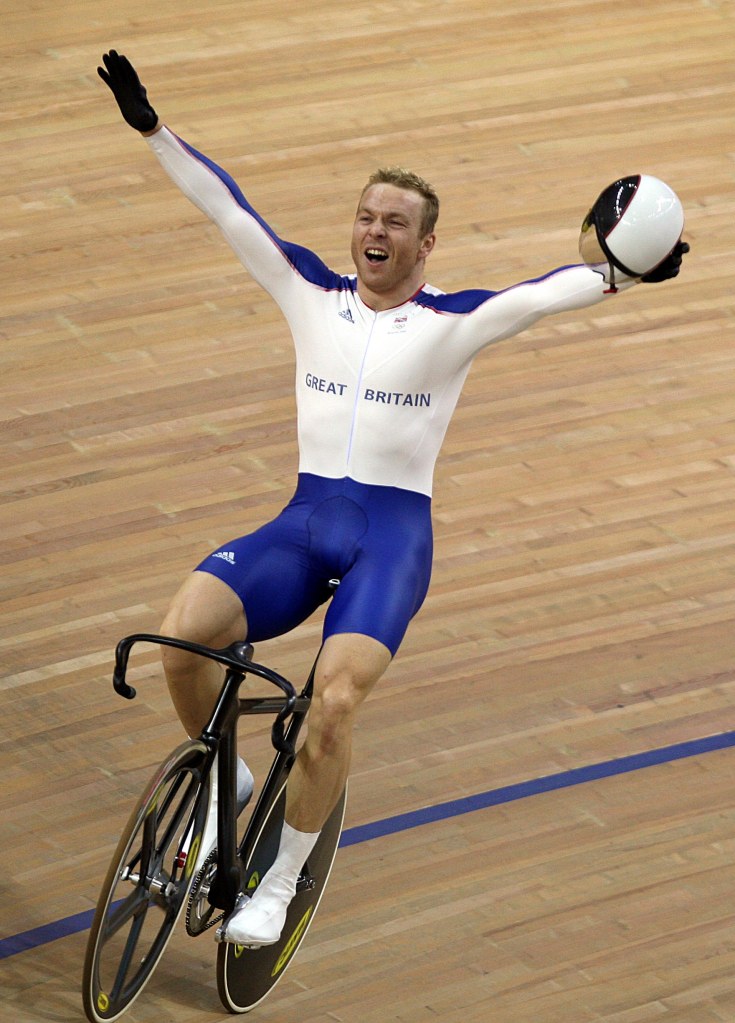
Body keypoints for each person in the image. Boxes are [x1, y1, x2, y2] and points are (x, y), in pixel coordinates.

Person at [97, 49, 688, 947]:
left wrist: (621, 273)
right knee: (182, 636)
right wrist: (152, 129)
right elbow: (228, 207)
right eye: (365, 215)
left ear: (425, 244)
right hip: (303, 524)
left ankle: (281, 880)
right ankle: (232, 786)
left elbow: (541, 296)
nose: (375, 230)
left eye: (395, 222)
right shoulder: (307, 293)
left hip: (388, 543)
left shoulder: (452, 323)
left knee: (332, 703)